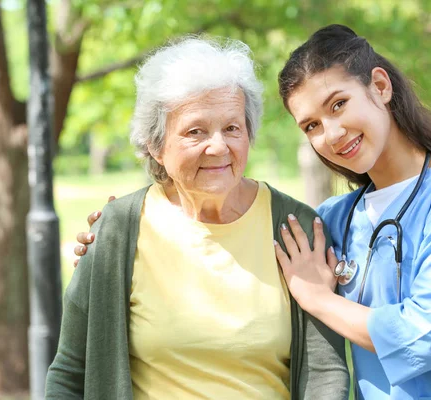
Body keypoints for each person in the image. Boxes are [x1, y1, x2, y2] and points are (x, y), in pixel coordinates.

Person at [76, 25, 431, 399]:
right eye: (312, 125)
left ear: (379, 86)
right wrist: (112, 237)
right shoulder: (335, 219)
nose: (332, 134)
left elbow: (428, 337)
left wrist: (320, 299)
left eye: (339, 104)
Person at [46, 37, 349, 399]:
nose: (219, 147)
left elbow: (324, 373)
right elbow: (70, 372)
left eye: (233, 128)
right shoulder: (117, 230)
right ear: (156, 147)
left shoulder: (293, 226)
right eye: (195, 131)